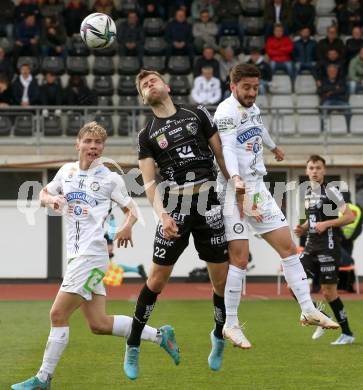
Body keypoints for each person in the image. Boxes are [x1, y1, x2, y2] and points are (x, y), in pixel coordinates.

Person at [11, 121, 179, 390]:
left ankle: (43, 379)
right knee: (98, 324)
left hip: (91, 256)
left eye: (98, 143)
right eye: (88, 141)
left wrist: (126, 227)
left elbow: (133, 210)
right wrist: (51, 200)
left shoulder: (110, 179)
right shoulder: (66, 172)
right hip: (76, 256)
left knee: (57, 315)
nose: (93, 147)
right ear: (78, 144)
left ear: (102, 148)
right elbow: (44, 193)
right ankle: (161, 336)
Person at [213, 63, 339, 349]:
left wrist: (273, 147)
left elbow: (259, 128)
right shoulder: (226, 112)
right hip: (233, 190)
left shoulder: (252, 108)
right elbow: (228, 149)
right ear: (233, 86)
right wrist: (236, 181)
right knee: (240, 258)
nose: (252, 93)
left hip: (258, 188)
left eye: (256, 88)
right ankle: (230, 324)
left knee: (288, 247)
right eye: (246, 87)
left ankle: (308, 309)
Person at [123, 69, 232, 380]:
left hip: (209, 202)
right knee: (156, 281)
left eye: (152, 79)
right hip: (175, 207)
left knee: (220, 282)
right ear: (143, 97)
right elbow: (148, 182)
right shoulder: (146, 135)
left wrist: (236, 188)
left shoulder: (197, 113)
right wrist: (162, 215)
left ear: (167, 86)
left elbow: (220, 155)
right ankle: (133, 345)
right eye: (143, 84)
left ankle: (219, 335)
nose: (148, 84)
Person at [294, 155, 355, 345]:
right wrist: (302, 228)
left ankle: (347, 333)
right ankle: (319, 315)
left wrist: (327, 223)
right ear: (306, 171)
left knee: (329, 293)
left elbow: (349, 216)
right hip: (311, 246)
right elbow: (312, 220)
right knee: (293, 279)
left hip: (329, 248)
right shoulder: (307, 192)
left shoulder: (331, 191)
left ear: (324, 170)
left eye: (318, 168)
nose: (314, 171)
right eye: (311, 168)